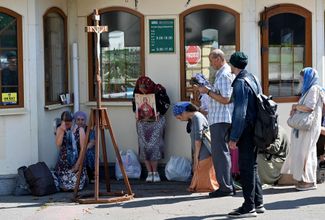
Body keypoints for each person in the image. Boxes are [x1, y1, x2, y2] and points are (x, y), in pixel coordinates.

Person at [227, 51, 264, 218]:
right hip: (257, 128)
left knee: (246, 167)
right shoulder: (253, 78)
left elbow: (240, 112)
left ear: (232, 64)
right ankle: (258, 202)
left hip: (246, 130)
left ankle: (249, 207)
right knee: (252, 166)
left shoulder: (240, 82)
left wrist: (234, 137)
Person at [198, 49, 235, 197]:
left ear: (219, 58)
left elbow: (226, 99)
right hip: (217, 118)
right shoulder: (222, 73)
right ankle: (226, 185)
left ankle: (225, 187)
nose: (210, 63)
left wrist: (207, 92)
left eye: (212, 60)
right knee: (221, 153)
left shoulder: (225, 74)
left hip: (221, 118)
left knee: (220, 154)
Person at [281, 67, 325, 190]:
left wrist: (296, 106)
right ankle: (304, 179)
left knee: (307, 153)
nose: (300, 80)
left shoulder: (313, 89)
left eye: (302, 78)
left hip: (309, 127)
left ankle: (309, 181)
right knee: (303, 152)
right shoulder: (311, 89)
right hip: (308, 127)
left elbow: (309, 107)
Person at [173, 102, 219, 192]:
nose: (179, 119)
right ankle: (197, 186)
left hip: (204, 148)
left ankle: (206, 187)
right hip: (202, 148)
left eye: (179, 117)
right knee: (199, 168)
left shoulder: (197, 117)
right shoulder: (195, 117)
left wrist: (196, 155)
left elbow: (198, 138)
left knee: (201, 167)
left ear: (184, 112)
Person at [132, 76, 170, 182]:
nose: (142, 90)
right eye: (140, 88)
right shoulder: (137, 92)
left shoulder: (158, 90)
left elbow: (166, 104)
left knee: (154, 145)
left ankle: (155, 172)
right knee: (144, 146)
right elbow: (135, 106)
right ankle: (149, 172)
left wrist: (159, 112)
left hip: (156, 122)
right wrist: (137, 113)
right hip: (142, 122)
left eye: (144, 88)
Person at [54, 111, 87, 191]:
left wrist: (77, 165)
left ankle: (83, 178)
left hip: (76, 162)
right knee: (64, 188)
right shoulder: (60, 129)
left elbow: (83, 149)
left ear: (72, 121)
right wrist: (62, 130)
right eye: (65, 123)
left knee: (75, 187)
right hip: (63, 163)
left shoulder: (80, 130)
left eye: (69, 123)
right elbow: (58, 144)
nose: (68, 125)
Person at [74, 111, 96, 183]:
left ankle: (90, 175)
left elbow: (92, 142)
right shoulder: (73, 130)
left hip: (86, 150)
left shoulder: (89, 130)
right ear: (75, 120)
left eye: (82, 120)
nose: (80, 122)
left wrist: (83, 149)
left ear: (85, 120)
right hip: (75, 151)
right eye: (78, 119)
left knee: (87, 153)